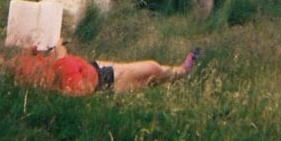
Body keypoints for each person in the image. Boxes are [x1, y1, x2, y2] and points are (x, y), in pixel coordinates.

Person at [12, 39, 199, 96]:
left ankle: (179, 70)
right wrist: (62, 56)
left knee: (151, 70)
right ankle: (183, 71)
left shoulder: (15, 65)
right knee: (152, 70)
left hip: (90, 67)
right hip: (102, 81)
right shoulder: (26, 78)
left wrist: (32, 52)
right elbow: (79, 90)